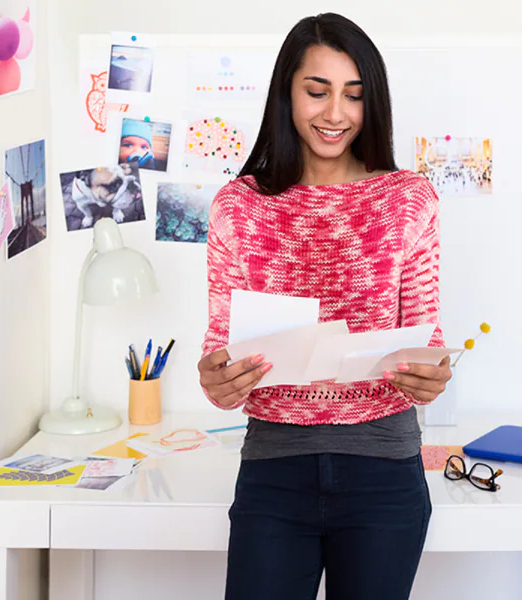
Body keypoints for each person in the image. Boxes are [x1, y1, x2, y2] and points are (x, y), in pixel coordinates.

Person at [198, 13, 452, 600]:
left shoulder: (408, 199)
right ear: (287, 91)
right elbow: (220, 354)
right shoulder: (239, 206)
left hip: (384, 473)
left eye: (354, 96)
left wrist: (432, 374)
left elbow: (427, 338)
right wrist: (218, 380)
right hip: (274, 469)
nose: (335, 113)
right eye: (317, 91)